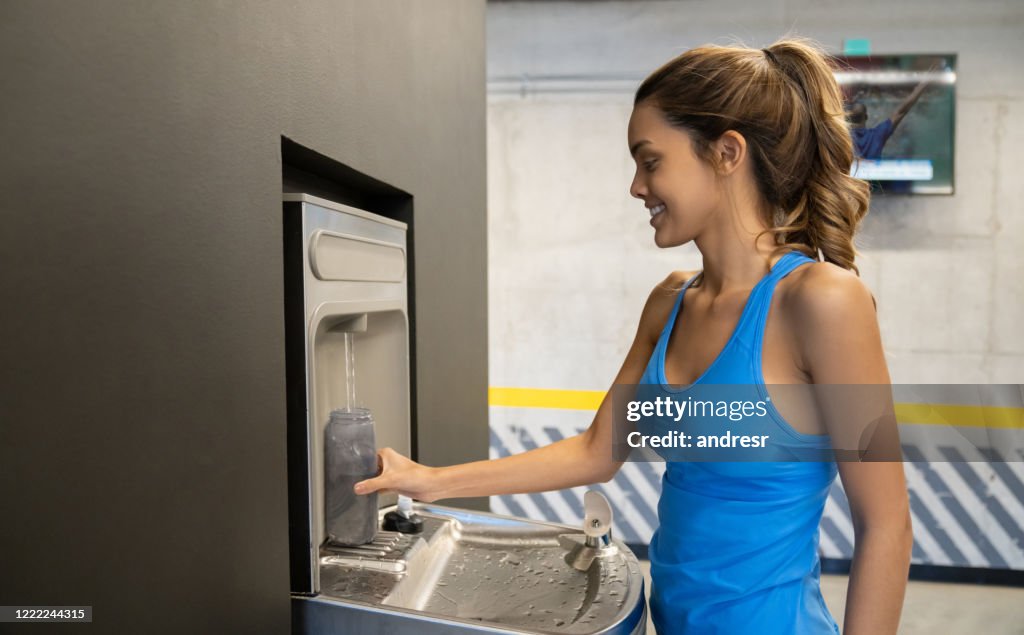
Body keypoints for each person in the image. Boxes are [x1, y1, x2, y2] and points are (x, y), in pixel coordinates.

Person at [355, 37, 913, 634]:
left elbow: (886, 524)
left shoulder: (822, 301)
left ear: (726, 153)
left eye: (650, 161)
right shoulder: (671, 300)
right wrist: (430, 481)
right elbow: (598, 451)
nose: (637, 187)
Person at [847, 79, 930, 159]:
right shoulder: (876, 135)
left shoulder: (843, 138)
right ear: (866, 117)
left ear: (848, 119)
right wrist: (924, 83)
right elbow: (901, 111)